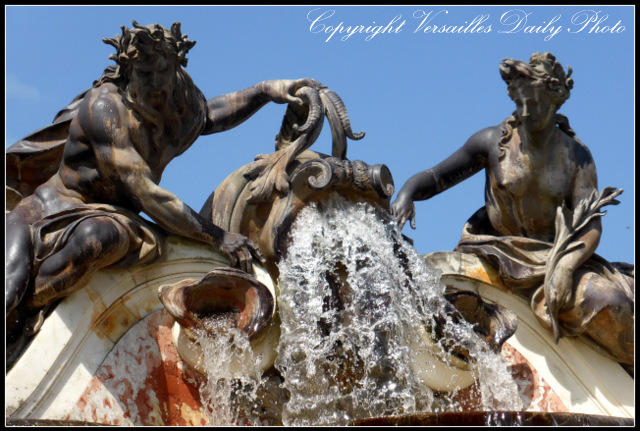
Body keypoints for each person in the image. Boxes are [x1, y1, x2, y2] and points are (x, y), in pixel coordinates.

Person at [5, 21, 319, 355]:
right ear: (128, 72)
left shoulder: (174, 92)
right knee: (9, 283)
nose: (156, 83)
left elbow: (208, 115)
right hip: (53, 207)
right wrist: (218, 236)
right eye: (145, 73)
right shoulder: (104, 108)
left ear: (175, 66)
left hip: (116, 218)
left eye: (163, 71)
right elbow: (145, 190)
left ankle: (28, 313)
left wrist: (264, 91)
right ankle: (21, 314)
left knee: (95, 240)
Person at [390, 52, 633, 367]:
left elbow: (590, 225)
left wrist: (565, 266)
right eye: (521, 103)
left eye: (536, 103)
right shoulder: (493, 141)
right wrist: (407, 194)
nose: (527, 111)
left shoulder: (577, 156)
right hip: (496, 249)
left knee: (613, 302)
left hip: (554, 254)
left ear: (556, 100)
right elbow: (437, 177)